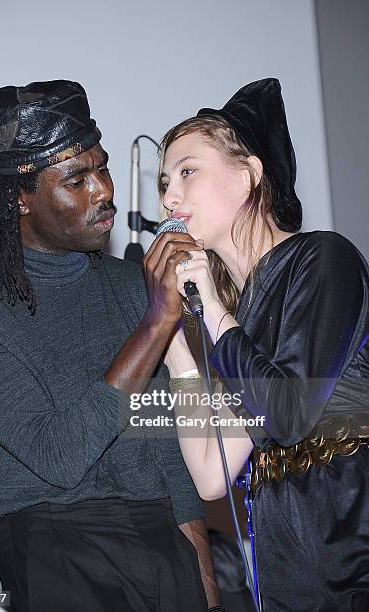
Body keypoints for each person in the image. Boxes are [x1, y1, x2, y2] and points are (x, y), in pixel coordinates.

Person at [0, 80, 222, 611]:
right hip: (58, 555)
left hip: (164, 542)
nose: (104, 191)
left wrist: (202, 573)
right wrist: (155, 325)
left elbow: (166, 442)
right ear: (19, 197)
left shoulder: (128, 283)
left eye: (104, 167)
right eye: (77, 178)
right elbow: (58, 454)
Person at [155, 78, 369, 610]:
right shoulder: (237, 319)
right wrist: (172, 338)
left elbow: (290, 412)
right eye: (163, 182)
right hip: (289, 588)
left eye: (187, 171)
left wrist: (215, 311)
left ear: (249, 174)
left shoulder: (323, 260)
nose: (168, 197)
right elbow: (210, 473)